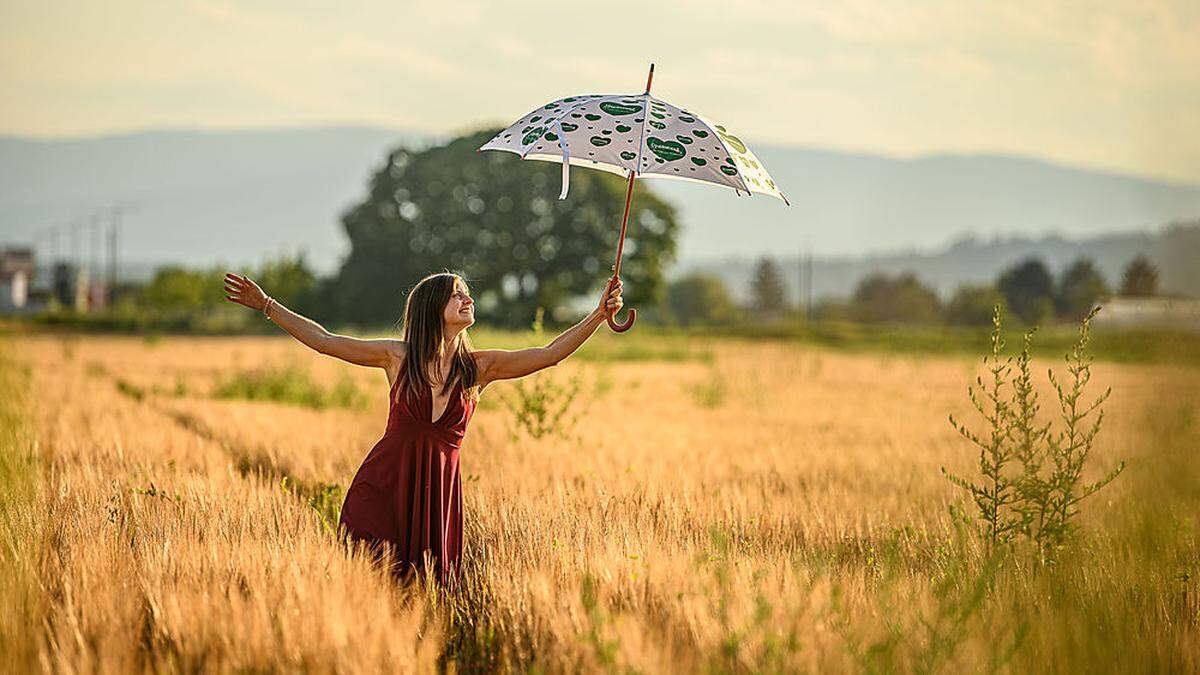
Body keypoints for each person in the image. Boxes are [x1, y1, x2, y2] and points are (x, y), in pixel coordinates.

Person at [223, 270, 623, 587]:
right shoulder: (396, 357)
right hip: (386, 485)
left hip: (439, 494)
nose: (468, 299)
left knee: (427, 587)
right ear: (434, 307)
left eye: (467, 293)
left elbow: (549, 354)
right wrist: (267, 305)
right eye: (457, 294)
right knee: (372, 578)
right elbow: (326, 341)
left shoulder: (479, 368)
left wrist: (598, 316)